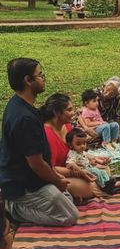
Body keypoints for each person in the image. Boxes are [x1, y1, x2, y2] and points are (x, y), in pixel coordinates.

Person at [0, 59, 79, 226]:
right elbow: (36, 163)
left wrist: (54, 176)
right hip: (22, 185)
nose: (43, 79)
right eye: (40, 75)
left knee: (68, 199)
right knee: (69, 216)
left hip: (34, 177)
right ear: (28, 81)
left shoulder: (23, 106)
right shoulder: (24, 118)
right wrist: (56, 180)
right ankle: (12, 207)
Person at [42, 93, 99, 202]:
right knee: (88, 187)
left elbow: (74, 151)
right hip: (58, 176)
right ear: (57, 113)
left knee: (103, 170)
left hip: (74, 166)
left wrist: (91, 158)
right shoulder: (47, 133)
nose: (73, 113)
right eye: (69, 110)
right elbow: (51, 169)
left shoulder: (67, 126)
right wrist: (79, 172)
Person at [65, 128, 120, 195]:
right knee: (97, 172)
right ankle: (105, 186)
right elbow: (69, 163)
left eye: (84, 143)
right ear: (71, 145)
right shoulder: (73, 154)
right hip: (85, 170)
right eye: (78, 144)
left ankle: (110, 182)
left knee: (102, 172)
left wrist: (98, 160)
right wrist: (79, 169)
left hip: (89, 167)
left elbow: (88, 158)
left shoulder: (81, 152)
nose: (82, 146)